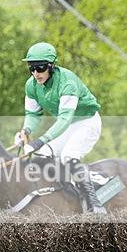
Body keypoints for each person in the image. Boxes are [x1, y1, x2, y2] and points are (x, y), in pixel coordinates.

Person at [12, 41, 106, 214]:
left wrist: (40, 141)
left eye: (40, 68)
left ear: (51, 66)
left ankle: (94, 204)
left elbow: (63, 119)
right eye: (31, 68)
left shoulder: (67, 82)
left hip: (87, 122)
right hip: (68, 125)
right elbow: (33, 115)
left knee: (68, 156)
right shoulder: (31, 85)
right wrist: (26, 131)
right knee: (44, 155)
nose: (35, 73)